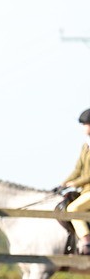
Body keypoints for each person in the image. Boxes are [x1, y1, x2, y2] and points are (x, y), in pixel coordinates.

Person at [61, 108, 90, 255]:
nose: (84, 128)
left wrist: (75, 183)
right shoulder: (86, 146)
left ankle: (86, 240)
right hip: (86, 190)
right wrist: (63, 183)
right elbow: (77, 169)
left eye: (86, 124)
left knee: (73, 209)